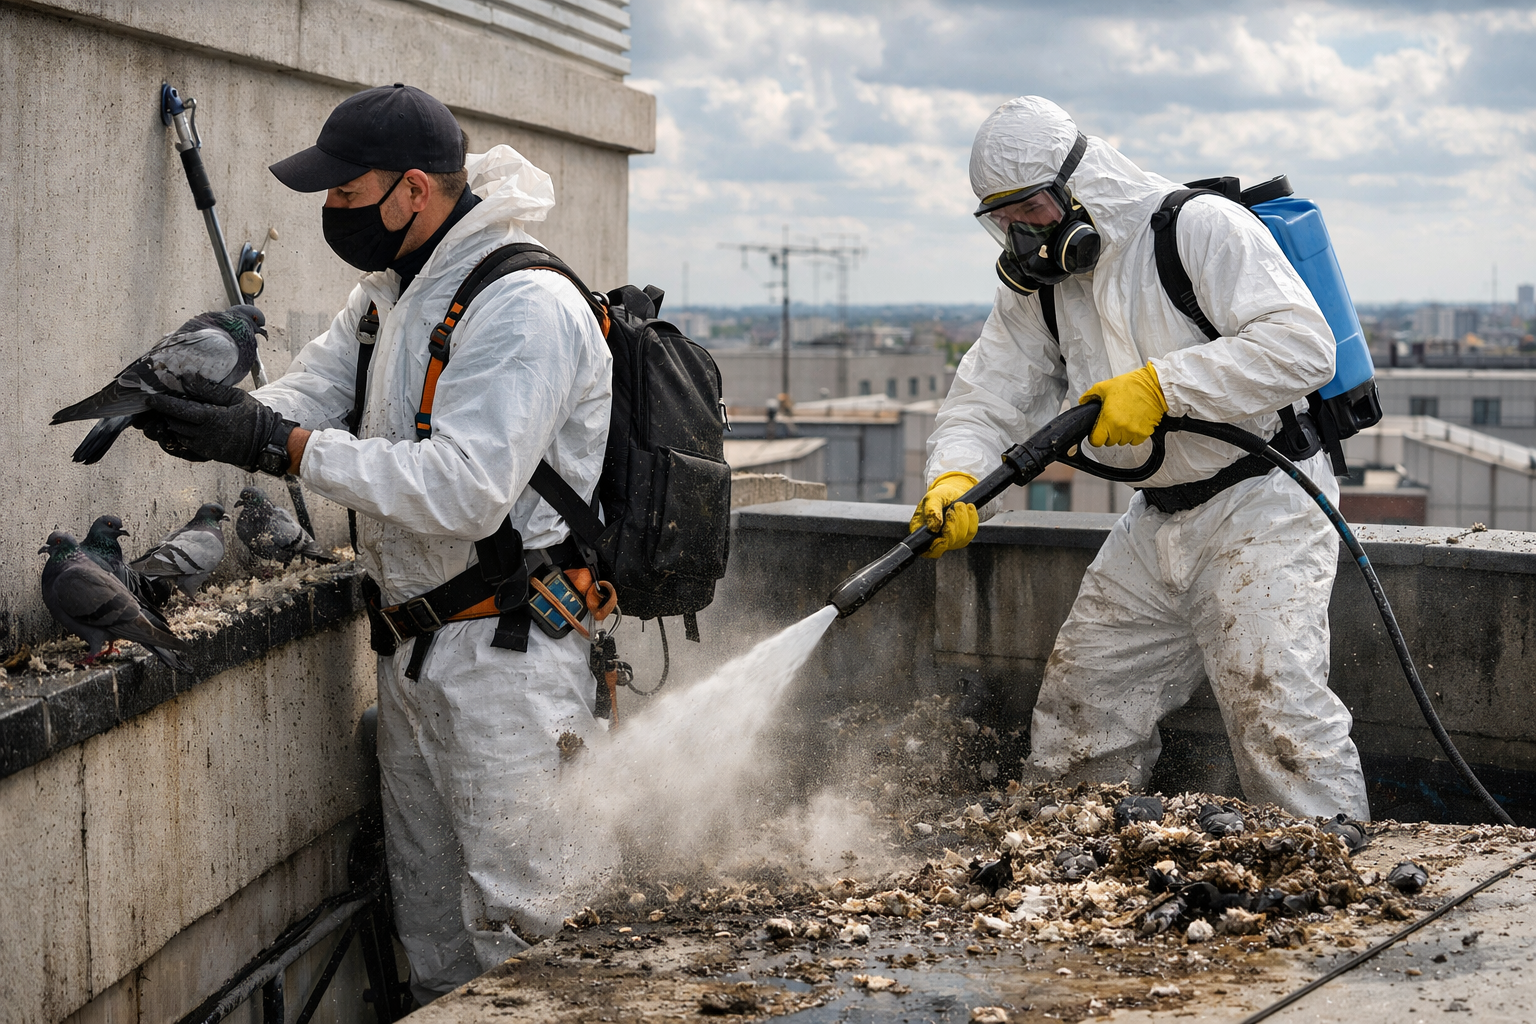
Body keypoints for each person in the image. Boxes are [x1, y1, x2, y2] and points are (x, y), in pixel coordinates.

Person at [135, 84, 613, 1002]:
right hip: (414, 656)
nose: (329, 213)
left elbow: (466, 490)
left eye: (345, 195)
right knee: (433, 931)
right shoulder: (389, 295)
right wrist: (215, 417)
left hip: (509, 664)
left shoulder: (523, 305)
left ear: (416, 193)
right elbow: (306, 399)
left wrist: (280, 448)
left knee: (531, 935)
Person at [913, 95, 1368, 821]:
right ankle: (1068, 865)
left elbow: (1302, 346)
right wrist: (958, 478)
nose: (1018, 231)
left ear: (1078, 185)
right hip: (1155, 519)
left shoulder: (1198, 228)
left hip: (1263, 503)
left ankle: (1331, 868)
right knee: (1085, 703)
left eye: (1028, 209)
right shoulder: (1045, 285)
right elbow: (989, 394)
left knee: (1275, 707)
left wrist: (1165, 385)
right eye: (1001, 217)